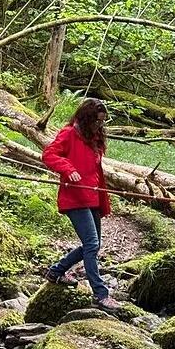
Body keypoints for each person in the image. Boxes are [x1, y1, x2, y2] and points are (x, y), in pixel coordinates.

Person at [41, 98, 120, 310]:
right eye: (96, 121)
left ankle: (56, 271)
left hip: (92, 196)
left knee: (92, 245)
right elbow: (49, 154)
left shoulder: (94, 137)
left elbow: (94, 169)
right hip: (75, 197)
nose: (99, 125)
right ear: (86, 118)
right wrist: (68, 169)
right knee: (92, 244)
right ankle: (101, 295)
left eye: (102, 121)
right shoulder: (69, 133)